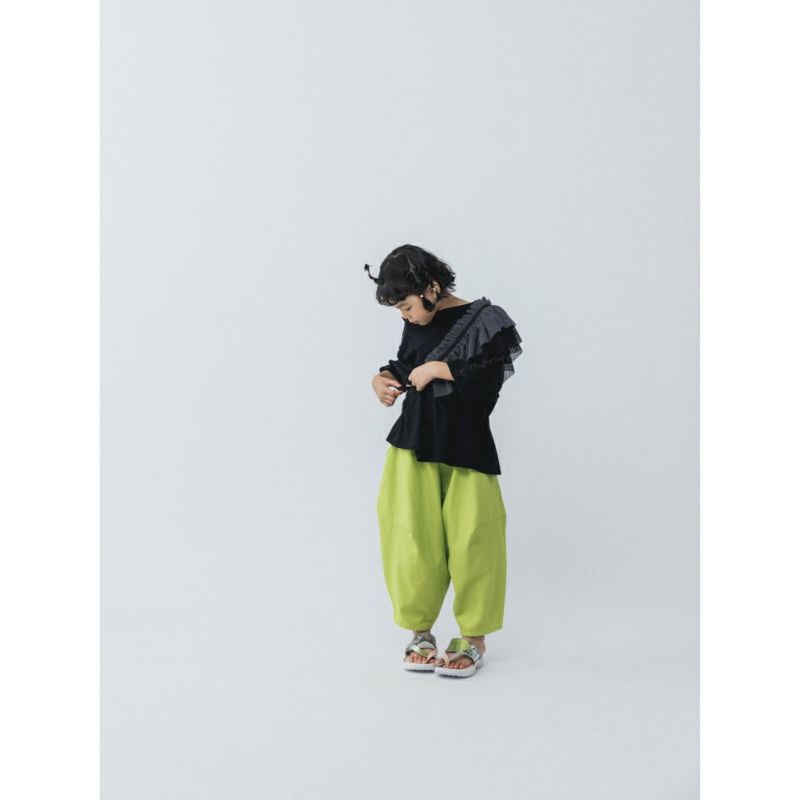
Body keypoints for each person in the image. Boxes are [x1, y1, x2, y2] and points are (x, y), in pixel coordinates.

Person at [364, 244, 523, 678]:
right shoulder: (416, 323)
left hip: (466, 448)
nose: (406, 316)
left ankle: (473, 639)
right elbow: (405, 365)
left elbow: (490, 377)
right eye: (399, 310)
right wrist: (381, 379)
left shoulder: (486, 319)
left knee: (475, 538)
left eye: (407, 306)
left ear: (431, 288)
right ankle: (420, 631)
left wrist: (439, 370)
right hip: (413, 442)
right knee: (410, 535)